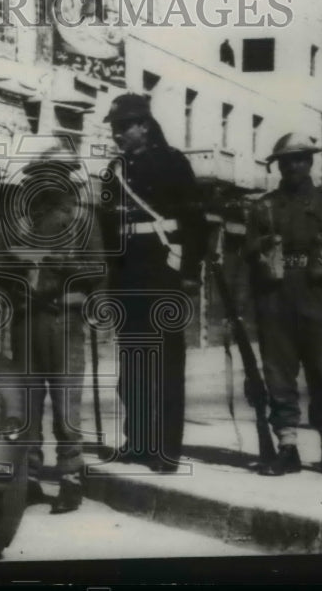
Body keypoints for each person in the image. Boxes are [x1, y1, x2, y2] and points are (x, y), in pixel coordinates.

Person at [99, 94, 206, 473]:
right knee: (132, 362)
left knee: (165, 362)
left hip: (163, 271)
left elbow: (195, 220)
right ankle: (138, 440)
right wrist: (108, 280)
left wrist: (191, 271)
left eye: (124, 127)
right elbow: (105, 227)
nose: (118, 135)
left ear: (144, 125)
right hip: (128, 275)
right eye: (114, 128)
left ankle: (166, 449)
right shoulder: (114, 171)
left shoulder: (173, 162)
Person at [245, 133, 322, 478]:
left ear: (310, 162)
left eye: (300, 159)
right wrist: (246, 310)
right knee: (278, 377)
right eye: (287, 160)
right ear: (279, 165)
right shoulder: (262, 208)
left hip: (319, 300)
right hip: (275, 302)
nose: (293, 165)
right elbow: (249, 261)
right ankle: (287, 447)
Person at [0, 147, 105, 513]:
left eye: (54, 172)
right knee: (26, 403)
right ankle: (28, 479)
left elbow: (98, 271)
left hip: (63, 319)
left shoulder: (82, 219)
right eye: (40, 173)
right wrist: (12, 274)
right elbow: (1, 273)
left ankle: (71, 480)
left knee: (64, 404)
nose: (47, 180)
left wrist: (59, 262)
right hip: (26, 320)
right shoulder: (19, 220)